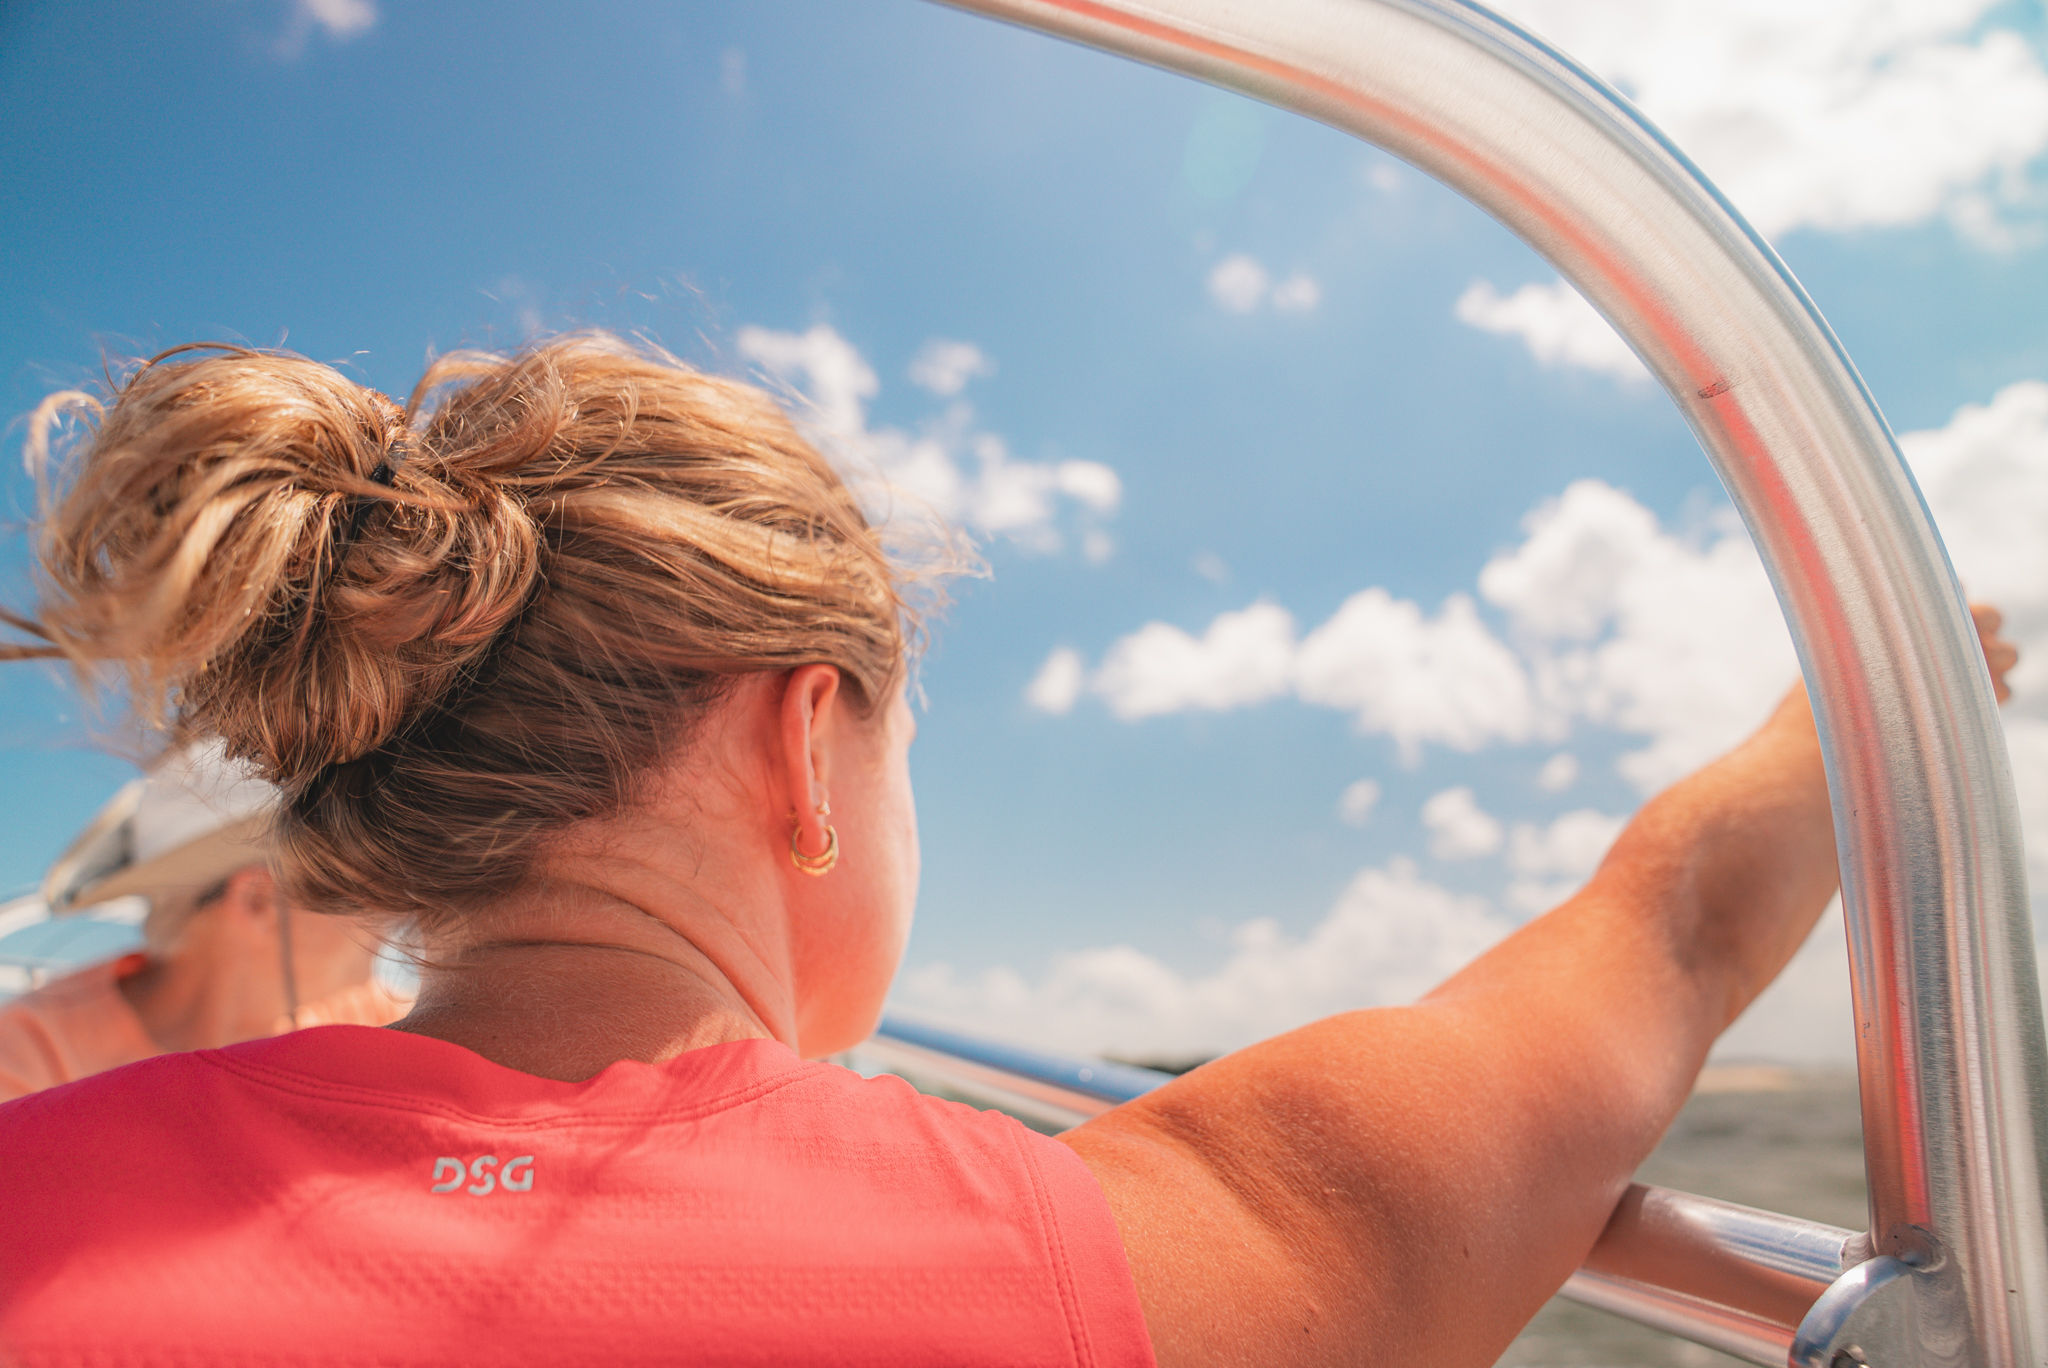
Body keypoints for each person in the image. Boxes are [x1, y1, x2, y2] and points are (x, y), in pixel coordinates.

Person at [0, 335, 2015, 1367]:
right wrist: (1906, 678)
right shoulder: (1120, 1269)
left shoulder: (37, 1193)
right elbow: (1666, 927)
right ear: (804, 746)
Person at [0, 744, 408, 1100]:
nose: (391, 913)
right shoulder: (28, 1061)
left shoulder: (385, 1019)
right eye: (361, 888)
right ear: (258, 900)